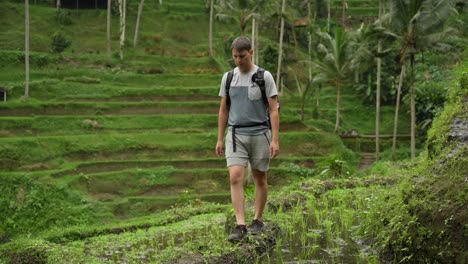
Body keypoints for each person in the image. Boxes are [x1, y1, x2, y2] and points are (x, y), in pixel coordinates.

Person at [215, 36, 280, 242]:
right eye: (234, 56)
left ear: (250, 53)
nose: (238, 60)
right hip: (236, 134)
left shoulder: (264, 76)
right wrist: (219, 138)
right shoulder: (228, 78)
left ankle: (258, 220)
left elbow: (273, 110)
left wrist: (275, 139)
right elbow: (223, 109)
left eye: (242, 56)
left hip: (260, 133)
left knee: (260, 177)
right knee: (235, 176)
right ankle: (240, 224)